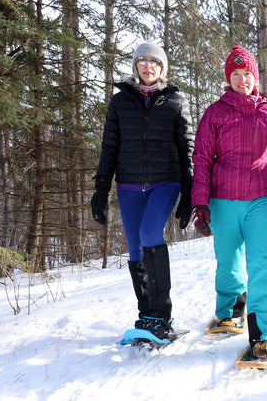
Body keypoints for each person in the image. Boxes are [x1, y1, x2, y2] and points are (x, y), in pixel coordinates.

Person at [191, 46, 267, 358]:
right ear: (228, 78)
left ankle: (266, 332)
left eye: (247, 73)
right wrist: (200, 203)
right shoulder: (215, 113)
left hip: (260, 197)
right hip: (222, 197)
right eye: (235, 74)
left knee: (261, 263)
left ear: (255, 77)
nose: (241, 79)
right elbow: (202, 160)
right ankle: (230, 308)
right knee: (227, 258)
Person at [91, 42, 194, 340]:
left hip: (165, 181)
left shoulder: (175, 101)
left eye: (155, 62)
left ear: (162, 68)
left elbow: (187, 146)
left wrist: (188, 190)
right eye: (142, 61)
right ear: (135, 65)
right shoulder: (120, 101)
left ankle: (162, 314)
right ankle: (146, 314)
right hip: (129, 184)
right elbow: (109, 146)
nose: (148, 66)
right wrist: (100, 189)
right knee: (135, 247)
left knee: (151, 234)